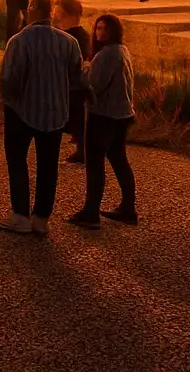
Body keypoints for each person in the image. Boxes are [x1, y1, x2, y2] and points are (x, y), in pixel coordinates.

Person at [0, 0, 84, 236]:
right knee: (48, 166)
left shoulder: (19, 41)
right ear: (51, 12)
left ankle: (20, 214)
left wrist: (6, 100)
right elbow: (76, 76)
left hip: (21, 111)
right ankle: (41, 218)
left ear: (32, 9)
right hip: (55, 113)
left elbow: (9, 79)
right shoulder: (68, 42)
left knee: (17, 161)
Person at [67, 14, 137, 230]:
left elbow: (94, 84)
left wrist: (81, 73)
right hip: (122, 114)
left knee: (95, 163)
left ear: (114, 31)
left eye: (105, 29)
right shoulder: (122, 51)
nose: (100, 33)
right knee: (118, 159)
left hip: (104, 115)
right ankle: (128, 208)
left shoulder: (106, 54)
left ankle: (91, 212)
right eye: (98, 29)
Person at [53, 0, 91, 164]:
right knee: (77, 118)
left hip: (70, 86)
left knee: (74, 117)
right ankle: (80, 145)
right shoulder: (83, 35)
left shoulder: (67, 38)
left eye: (56, 9)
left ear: (61, 12)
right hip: (74, 86)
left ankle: (82, 150)